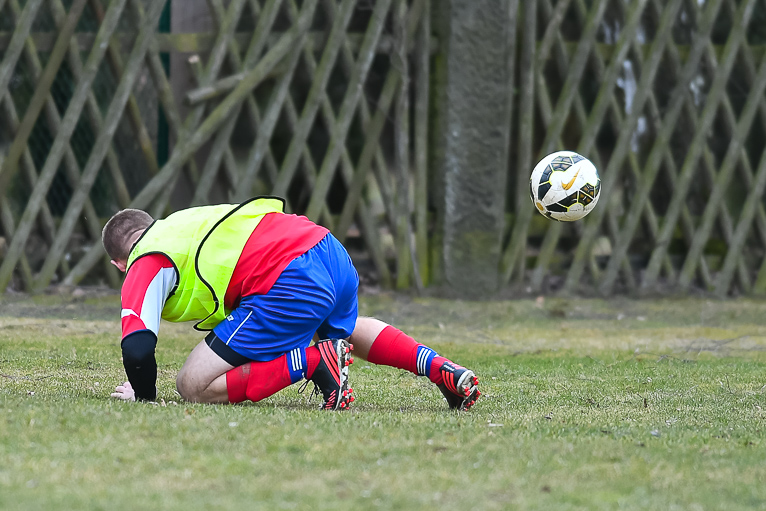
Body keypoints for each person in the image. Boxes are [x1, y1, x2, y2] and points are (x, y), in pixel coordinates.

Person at [102, 196, 480, 411]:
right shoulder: (183, 223)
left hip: (288, 278)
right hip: (328, 250)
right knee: (344, 331)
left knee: (192, 386)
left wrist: (144, 396)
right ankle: (441, 368)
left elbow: (137, 346)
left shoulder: (145, 259)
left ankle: (314, 362)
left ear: (120, 263)